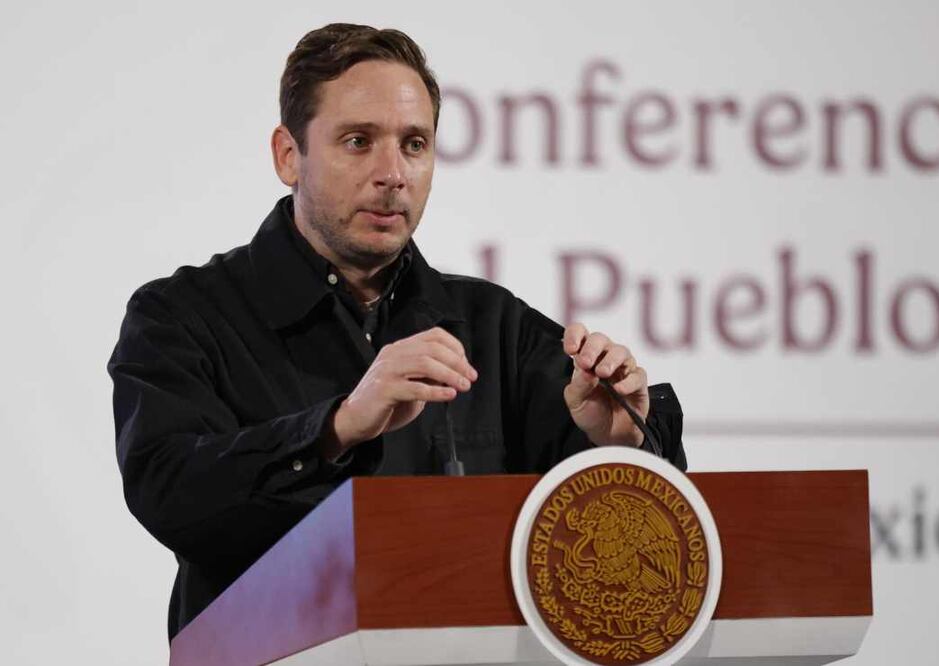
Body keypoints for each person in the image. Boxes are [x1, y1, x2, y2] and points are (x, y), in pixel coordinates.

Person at [108, 23, 686, 640]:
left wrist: (619, 445)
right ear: (287, 155)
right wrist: (337, 428)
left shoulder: (493, 324)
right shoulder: (184, 315)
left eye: (414, 144)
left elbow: (606, 550)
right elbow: (169, 492)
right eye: (358, 142)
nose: (393, 173)